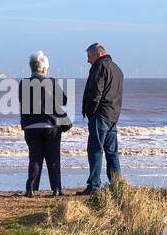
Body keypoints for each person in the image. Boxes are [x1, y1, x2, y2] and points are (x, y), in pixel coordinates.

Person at [19, 50, 71, 197]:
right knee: (53, 158)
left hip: (30, 126)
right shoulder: (51, 82)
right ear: (43, 68)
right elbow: (64, 101)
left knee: (35, 157)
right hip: (51, 125)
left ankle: (31, 189)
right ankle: (56, 189)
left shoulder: (23, 84)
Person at [80, 42, 124, 194]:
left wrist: (90, 111)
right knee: (111, 152)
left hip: (101, 115)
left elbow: (95, 92)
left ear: (98, 54)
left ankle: (94, 185)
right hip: (113, 115)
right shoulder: (117, 69)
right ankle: (117, 185)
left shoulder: (100, 67)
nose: (88, 60)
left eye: (89, 56)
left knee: (95, 150)